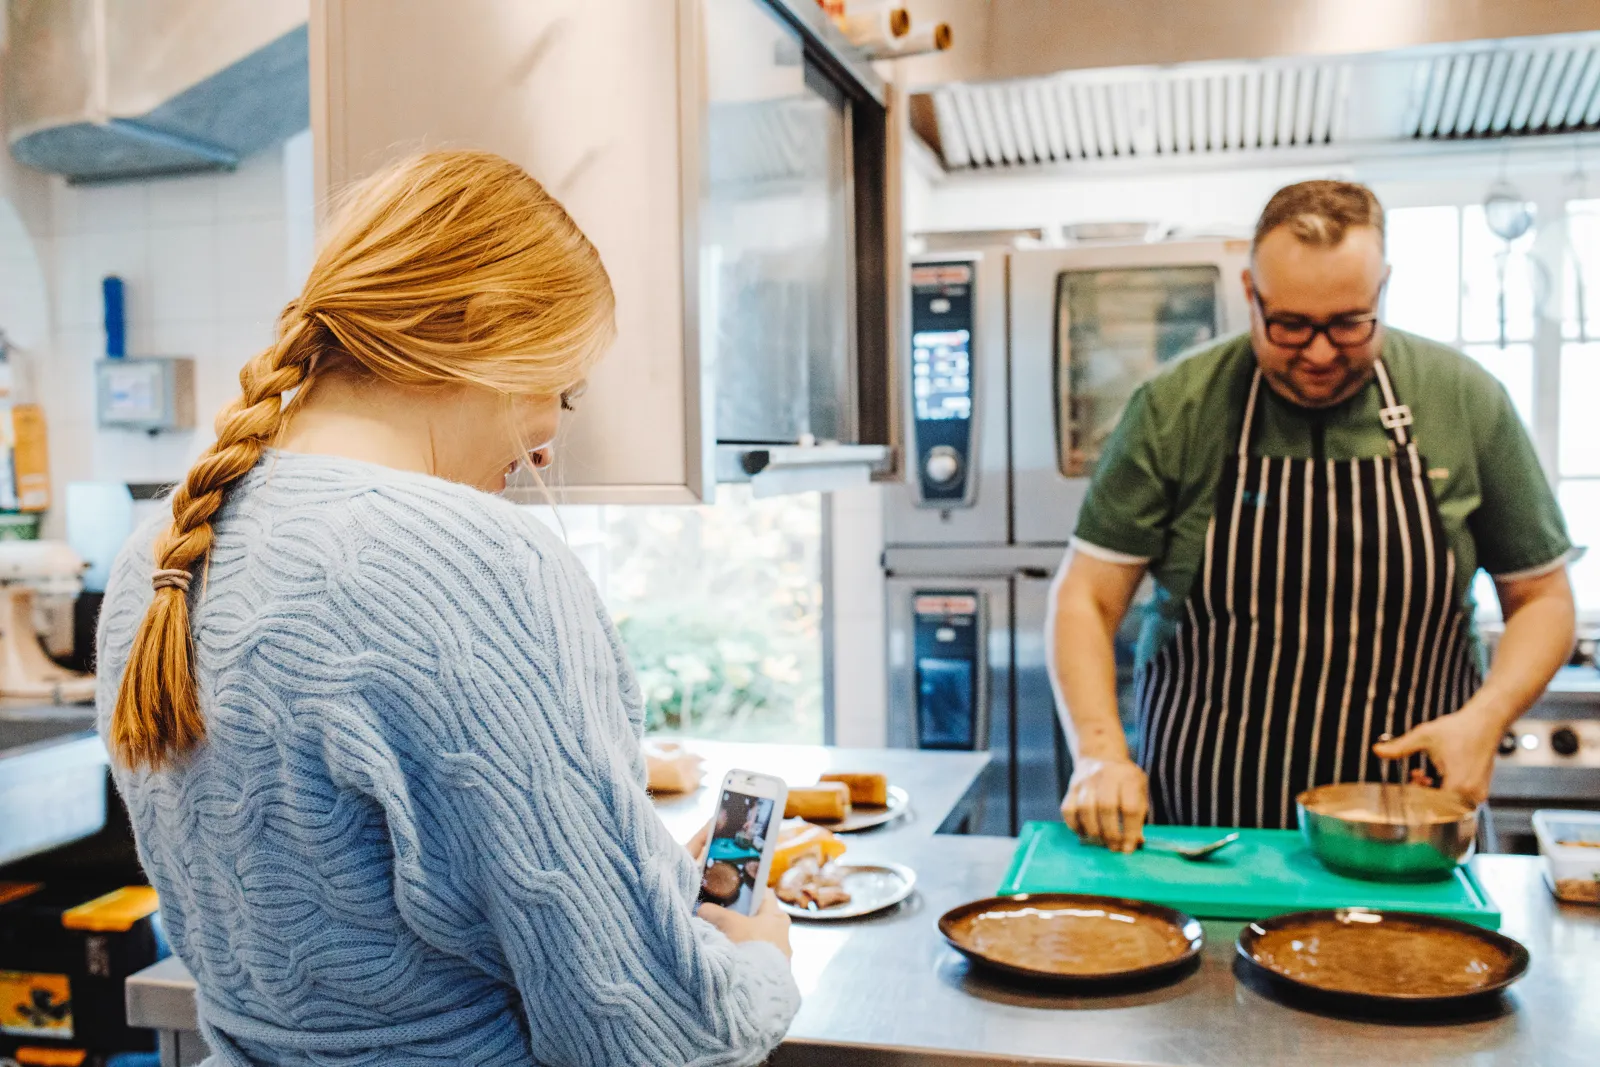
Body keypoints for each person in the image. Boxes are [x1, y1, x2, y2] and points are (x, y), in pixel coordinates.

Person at [97, 151, 800, 1065]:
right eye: (565, 388)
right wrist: (752, 960)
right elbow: (650, 1036)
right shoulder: (473, 564)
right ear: (492, 327)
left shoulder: (153, 558)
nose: (548, 446)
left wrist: (633, 867)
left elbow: (370, 903)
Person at [1049, 180, 1576, 851]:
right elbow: (1085, 597)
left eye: (1349, 323)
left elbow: (1544, 597)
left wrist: (1485, 717)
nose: (1321, 353)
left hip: (1407, 831)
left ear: (1383, 289)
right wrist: (1098, 752)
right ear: (1250, 293)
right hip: (1207, 829)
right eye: (1290, 325)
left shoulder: (1466, 400)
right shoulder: (1175, 407)